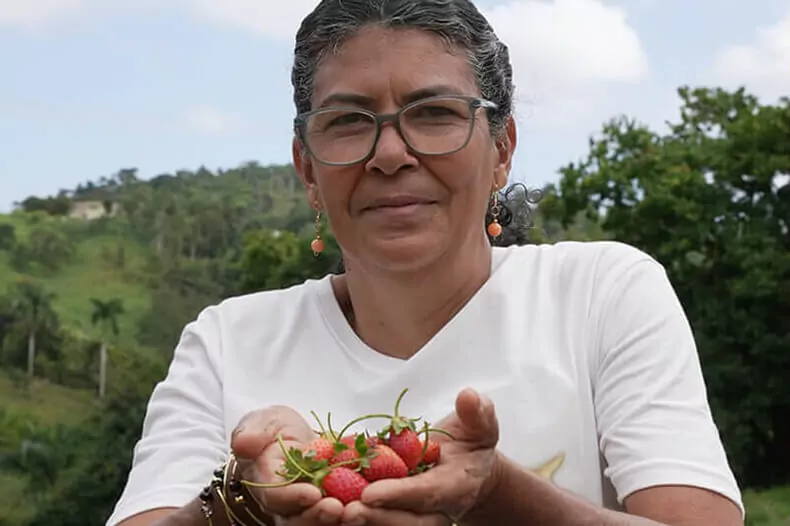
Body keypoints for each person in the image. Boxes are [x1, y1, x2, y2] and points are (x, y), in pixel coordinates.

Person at [108, 0, 745, 525]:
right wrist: (238, 500)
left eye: (434, 114)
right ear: (307, 167)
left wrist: (498, 494)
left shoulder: (602, 294)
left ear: (501, 147)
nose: (390, 154)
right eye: (349, 121)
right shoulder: (226, 342)